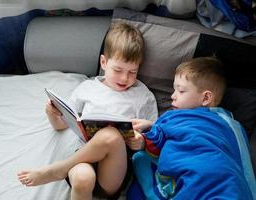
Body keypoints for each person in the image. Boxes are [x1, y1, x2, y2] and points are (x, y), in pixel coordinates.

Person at [17, 22, 158, 200]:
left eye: (132, 72)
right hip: (83, 157)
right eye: (118, 70)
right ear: (104, 62)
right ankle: (65, 170)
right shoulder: (88, 88)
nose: (125, 78)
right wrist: (52, 115)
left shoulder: (143, 95)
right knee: (83, 178)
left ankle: (58, 170)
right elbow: (63, 125)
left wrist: (143, 140)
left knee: (111, 135)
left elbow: (157, 134)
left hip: (115, 168)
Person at [129, 57, 256, 199]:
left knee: (140, 159)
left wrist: (143, 139)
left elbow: (155, 140)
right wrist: (153, 125)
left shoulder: (174, 116)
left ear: (206, 98)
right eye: (173, 89)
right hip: (230, 183)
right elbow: (243, 160)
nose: (173, 96)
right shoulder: (233, 125)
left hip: (205, 172)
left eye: (181, 91)